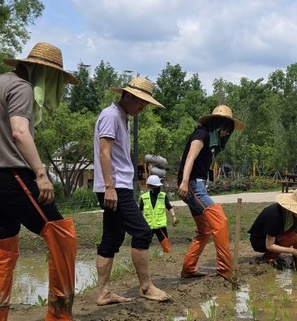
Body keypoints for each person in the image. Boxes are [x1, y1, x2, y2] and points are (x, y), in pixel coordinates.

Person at [0, 41, 82, 321]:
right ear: (42, 73)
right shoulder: (21, 87)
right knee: (61, 235)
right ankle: (59, 312)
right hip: (13, 177)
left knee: (3, 249)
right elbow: (19, 132)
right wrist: (41, 173)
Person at [93, 76, 169, 305]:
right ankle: (145, 287)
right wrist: (109, 187)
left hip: (119, 186)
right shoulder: (111, 115)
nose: (142, 108)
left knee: (112, 238)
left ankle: (104, 293)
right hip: (115, 187)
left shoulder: (121, 117)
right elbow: (104, 152)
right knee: (143, 231)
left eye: (145, 104)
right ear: (127, 96)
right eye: (140, 103)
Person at [177, 105, 244, 280]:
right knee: (220, 220)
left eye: (229, 130)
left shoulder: (212, 140)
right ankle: (225, 269)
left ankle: (188, 269)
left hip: (197, 184)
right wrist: (184, 183)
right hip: (192, 184)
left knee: (204, 230)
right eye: (225, 128)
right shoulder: (202, 134)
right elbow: (190, 158)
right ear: (217, 124)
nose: (226, 133)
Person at [248, 185, 297, 268]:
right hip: (260, 241)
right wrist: (292, 251)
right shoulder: (275, 216)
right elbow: (269, 245)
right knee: (295, 236)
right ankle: (268, 258)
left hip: (277, 236)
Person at [139, 174, 178, 252]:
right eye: (156, 187)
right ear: (150, 186)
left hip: (160, 225)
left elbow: (169, 207)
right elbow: (140, 211)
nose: (158, 188)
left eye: (159, 186)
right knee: (143, 246)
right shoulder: (144, 197)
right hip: (148, 225)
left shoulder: (163, 196)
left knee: (167, 247)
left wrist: (174, 217)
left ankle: (167, 257)